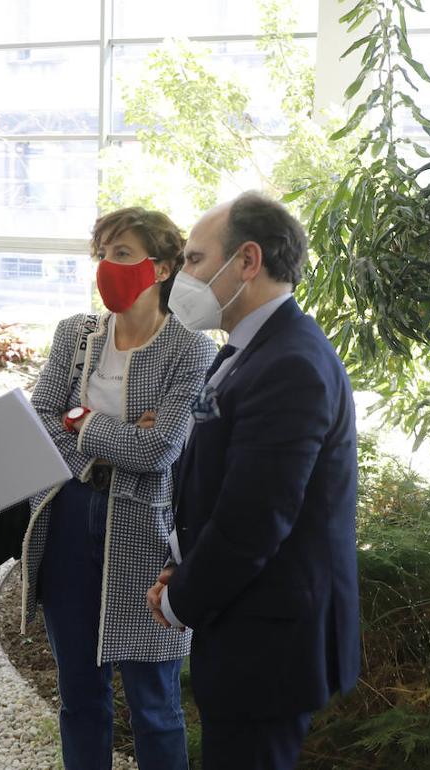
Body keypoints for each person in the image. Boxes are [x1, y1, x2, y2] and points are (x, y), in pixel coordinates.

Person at [146, 192, 361, 770]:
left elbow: (256, 518)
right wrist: (184, 564)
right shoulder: (248, 351)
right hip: (250, 623)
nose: (180, 275)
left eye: (193, 260)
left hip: (271, 642)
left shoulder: (290, 362)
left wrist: (181, 599)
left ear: (247, 261)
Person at [21, 207, 218, 769]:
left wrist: (78, 420)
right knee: (79, 695)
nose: (108, 265)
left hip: (143, 530)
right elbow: (40, 423)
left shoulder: (192, 350)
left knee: (154, 703)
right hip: (65, 517)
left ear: (160, 267)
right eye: (102, 253)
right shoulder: (76, 335)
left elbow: (159, 452)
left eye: (123, 253)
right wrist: (113, 432)